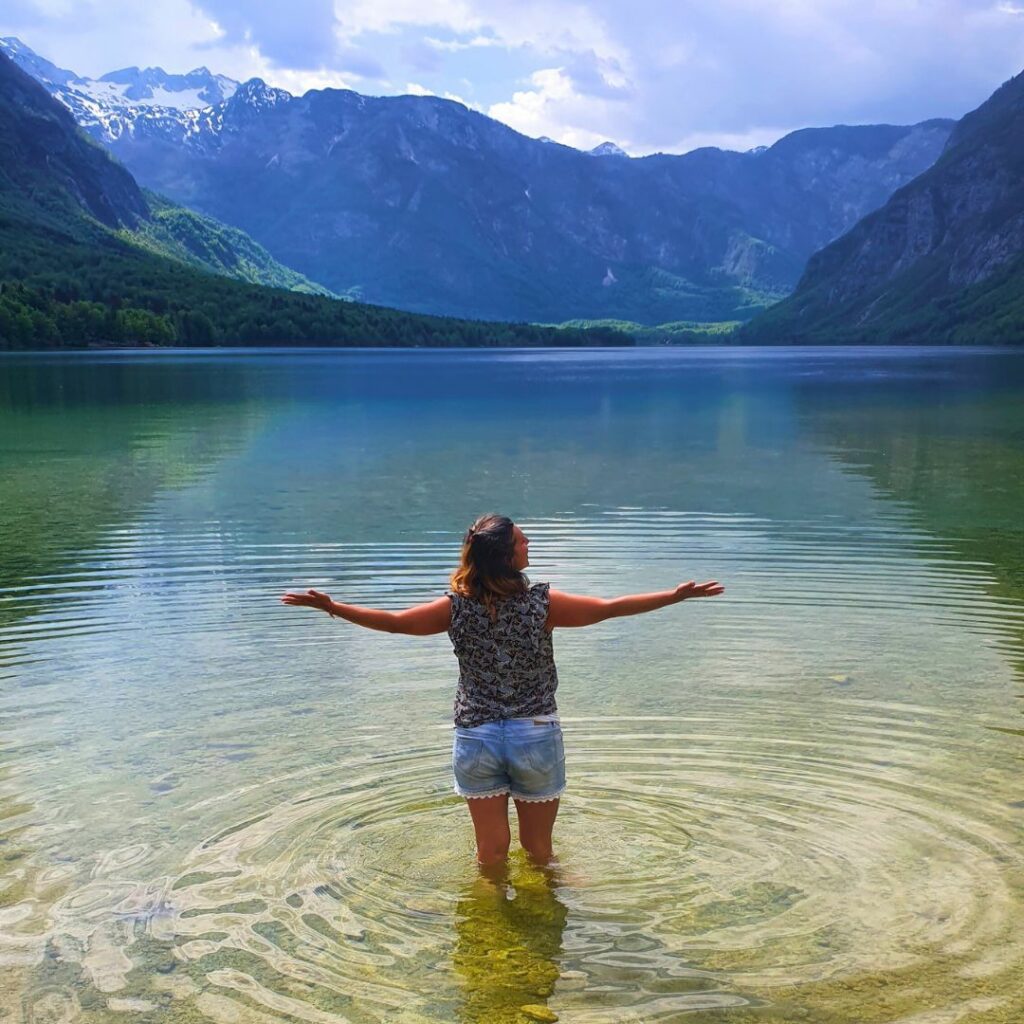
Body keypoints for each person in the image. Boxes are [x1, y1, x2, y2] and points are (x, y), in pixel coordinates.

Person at [280, 513, 724, 870]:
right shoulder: (543, 604)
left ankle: (489, 926)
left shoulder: (454, 608)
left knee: (490, 855)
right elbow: (609, 610)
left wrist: (334, 607)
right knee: (540, 853)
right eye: (524, 542)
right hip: (535, 733)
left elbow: (396, 623)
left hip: (477, 737)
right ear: (508, 557)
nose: (530, 546)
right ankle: (556, 918)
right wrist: (673, 596)